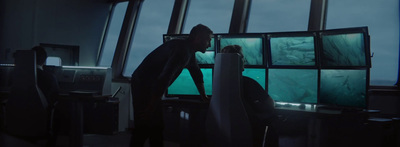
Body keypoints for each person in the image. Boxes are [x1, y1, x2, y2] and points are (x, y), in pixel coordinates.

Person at [130, 24, 213, 147]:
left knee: (156, 127)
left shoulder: (188, 50)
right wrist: (150, 107)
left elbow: (196, 73)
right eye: (208, 40)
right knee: (145, 124)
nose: (209, 44)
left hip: (148, 84)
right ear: (198, 38)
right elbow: (164, 78)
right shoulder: (182, 51)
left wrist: (204, 96)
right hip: (143, 84)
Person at [220, 45, 278, 147]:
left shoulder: (218, 84)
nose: (244, 61)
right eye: (242, 58)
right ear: (238, 61)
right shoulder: (248, 83)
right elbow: (270, 105)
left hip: (225, 133)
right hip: (250, 130)